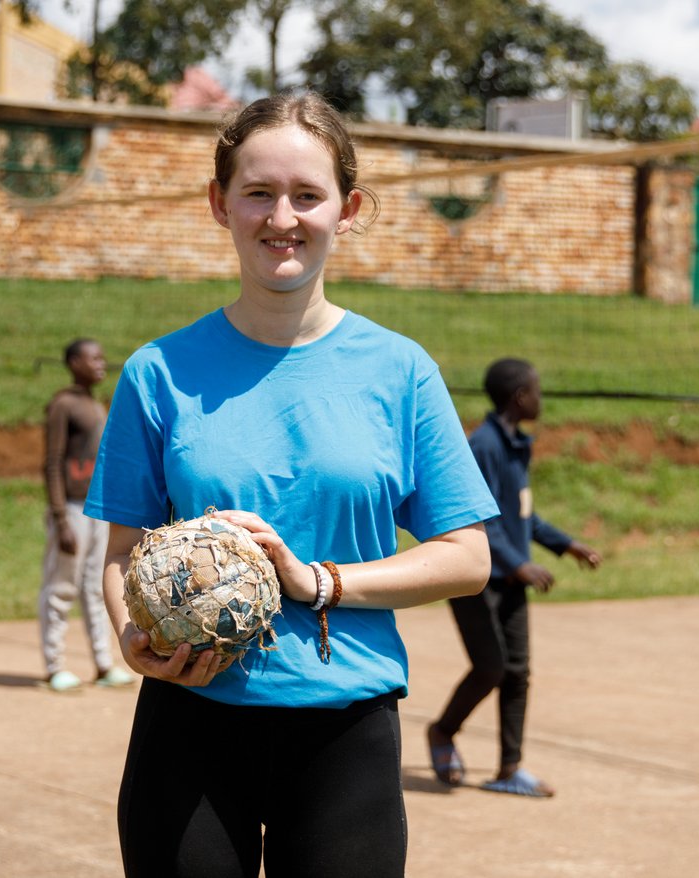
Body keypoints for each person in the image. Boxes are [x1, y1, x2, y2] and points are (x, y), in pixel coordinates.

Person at [83, 91, 498, 877]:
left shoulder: (401, 371)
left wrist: (316, 581)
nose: (284, 217)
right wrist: (137, 644)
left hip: (345, 731)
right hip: (190, 722)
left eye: (308, 195)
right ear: (220, 203)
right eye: (259, 192)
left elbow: (467, 557)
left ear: (348, 209)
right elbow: (121, 551)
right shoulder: (158, 372)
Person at [427, 358, 602, 798]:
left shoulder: (514, 445)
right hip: (476, 579)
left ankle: (509, 769)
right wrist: (515, 561)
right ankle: (443, 731)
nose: (541, 398)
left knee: (518, 672)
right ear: (520, 397)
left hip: (511, 581)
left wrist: (565, 545)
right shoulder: (482, 446)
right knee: (490, 667)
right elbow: (477, 518)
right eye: (537, 390)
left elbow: (520, 514)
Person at [39, 337, 133, 693]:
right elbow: (52, 462)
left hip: (96, 511)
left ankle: (104, 663)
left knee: (97, 588)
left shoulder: (94, 405)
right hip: (72, 511)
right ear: (73, 362)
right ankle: (54, 666)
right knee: (60, 587)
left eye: (102, 356)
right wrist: (60, 517)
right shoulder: (63, 405)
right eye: (92, 357)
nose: (101, 362)